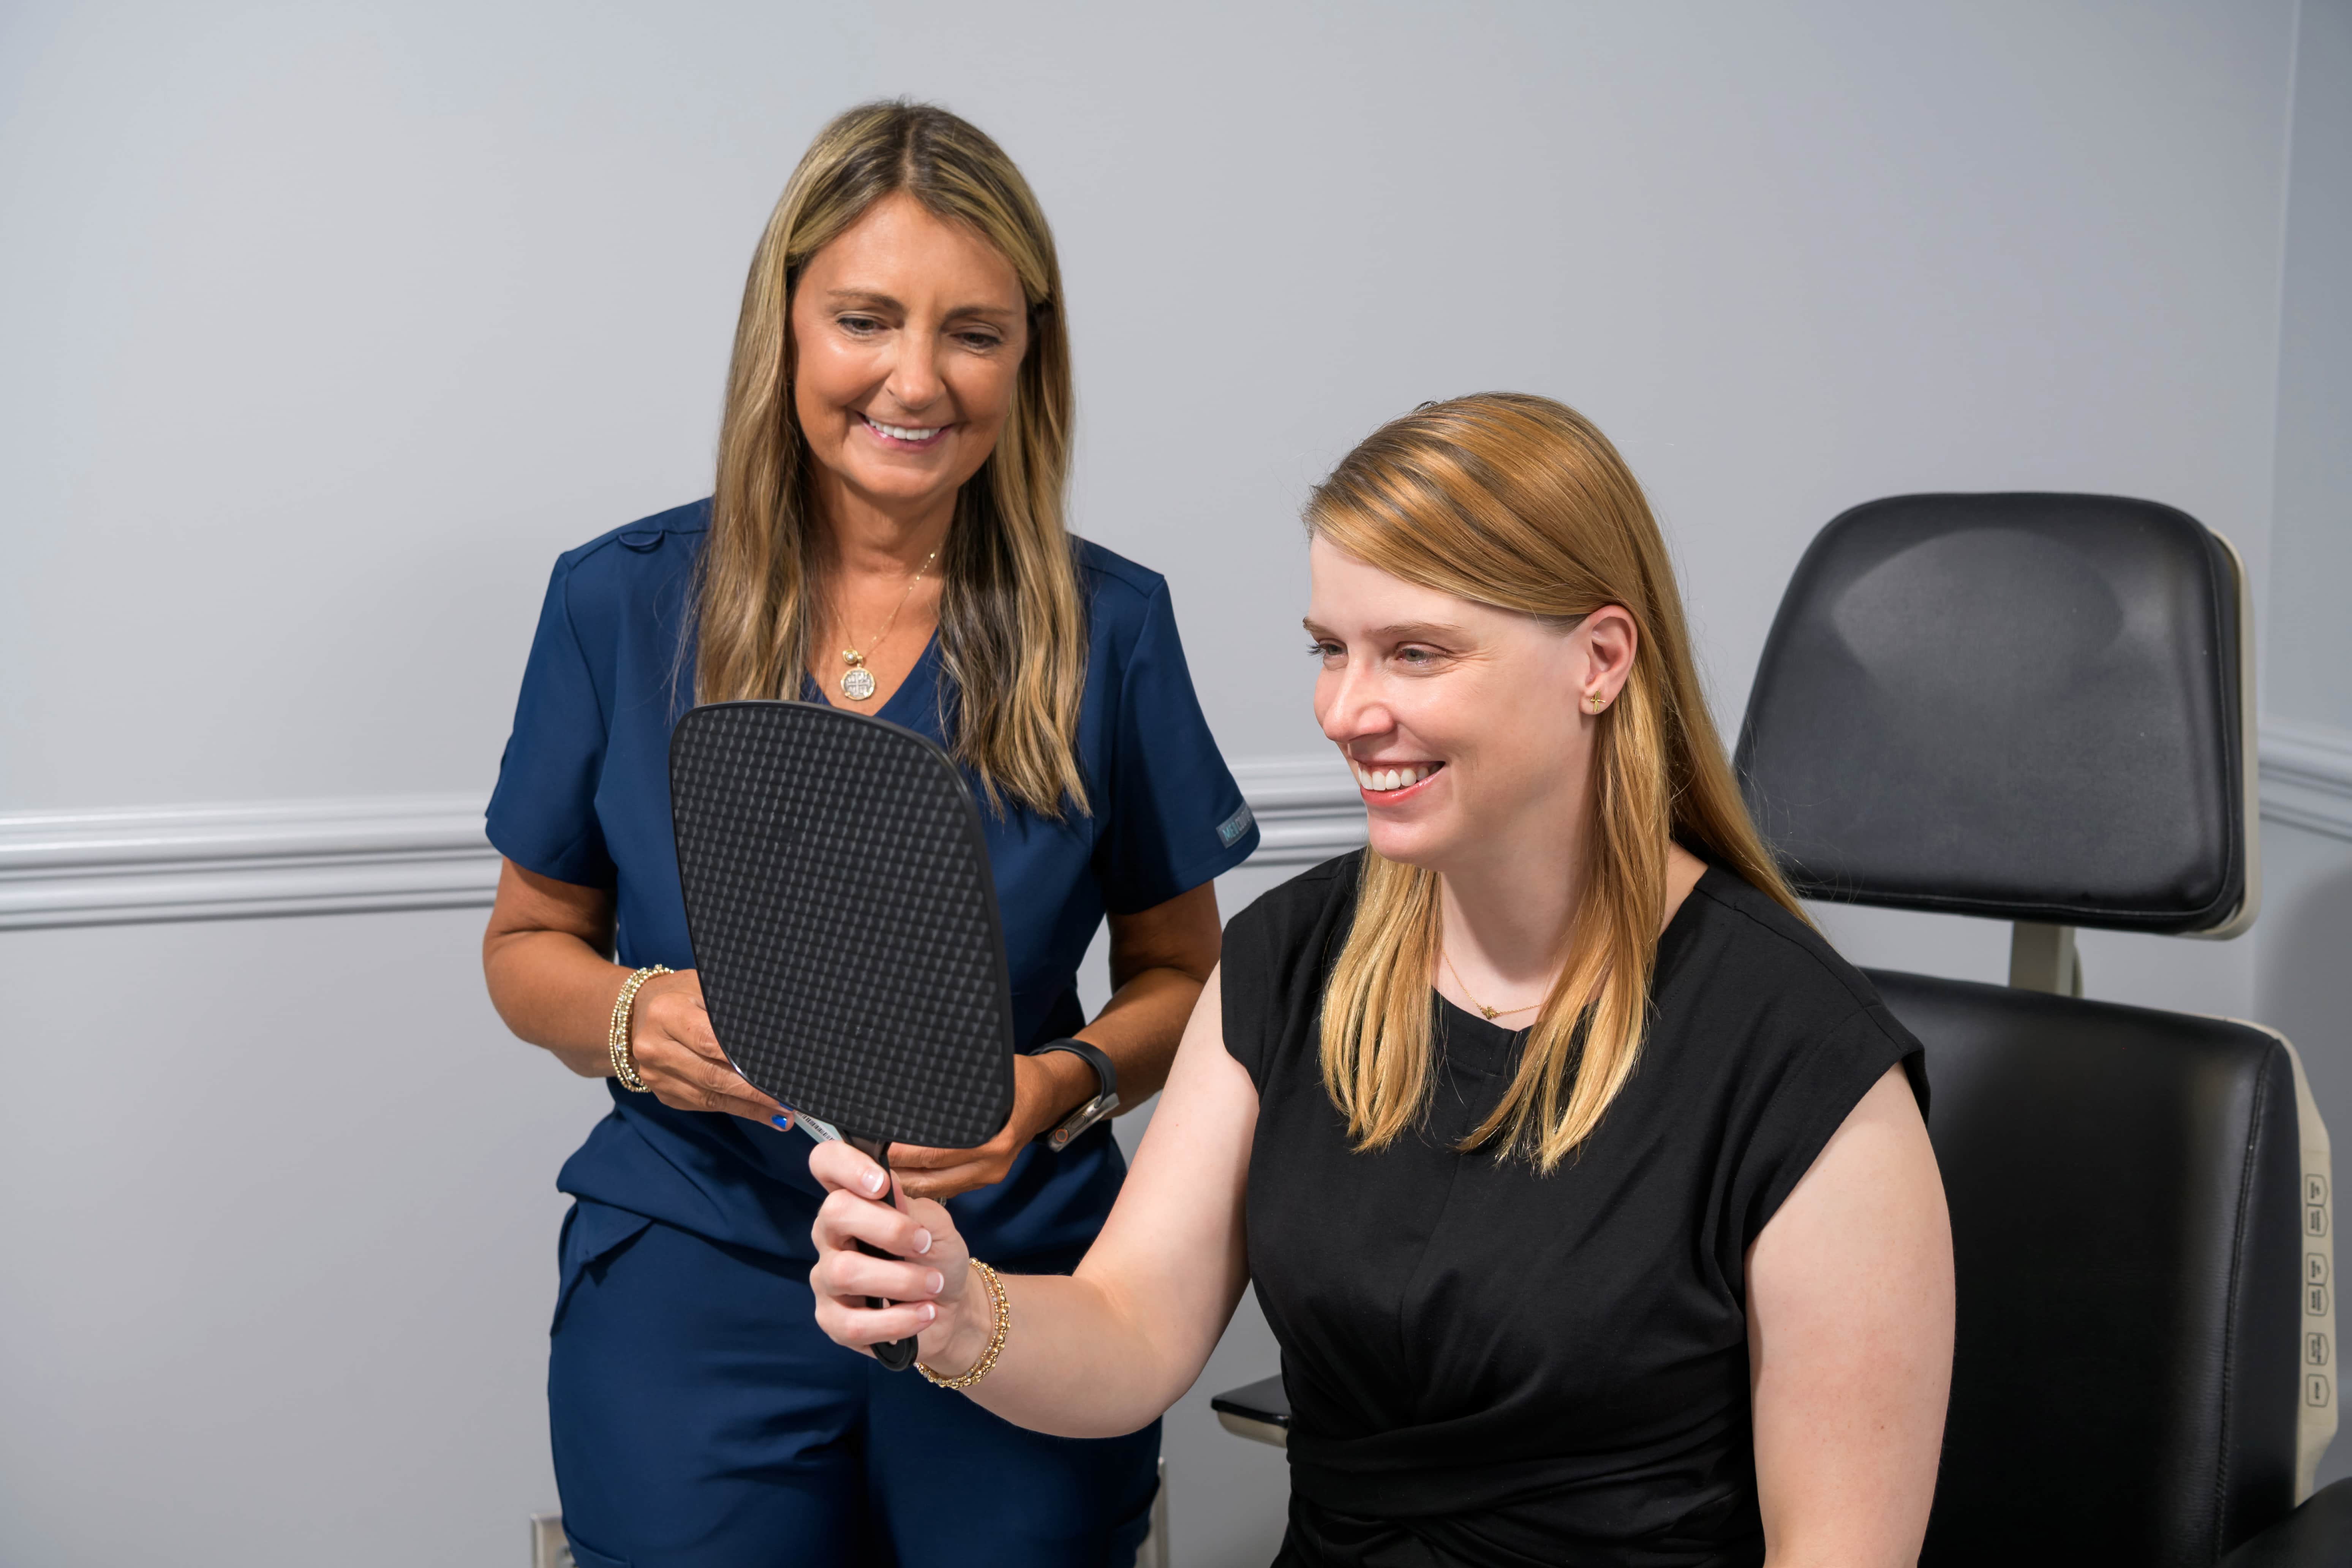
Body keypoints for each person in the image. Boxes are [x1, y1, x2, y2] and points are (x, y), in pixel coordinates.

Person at [807, 393, 1956, 1567]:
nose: (1347, 712)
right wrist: (959, 1312)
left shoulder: (1806, 1066)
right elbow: (1132, 1329)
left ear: (1602, 660)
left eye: (1415, 652)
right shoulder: (1293, 958)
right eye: (1330, 649)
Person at [480, 100, 1259, 1568]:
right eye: (865, 319)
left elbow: (1184, 982)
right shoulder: (618, 601)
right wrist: (644, 1016)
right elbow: (527, 948)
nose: (916, 378)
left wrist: (1050, 1092)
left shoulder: (1115, 627)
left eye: (972, 330)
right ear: (785, 331)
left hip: (1010, 1269)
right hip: (696, 1251)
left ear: (1030, 355)